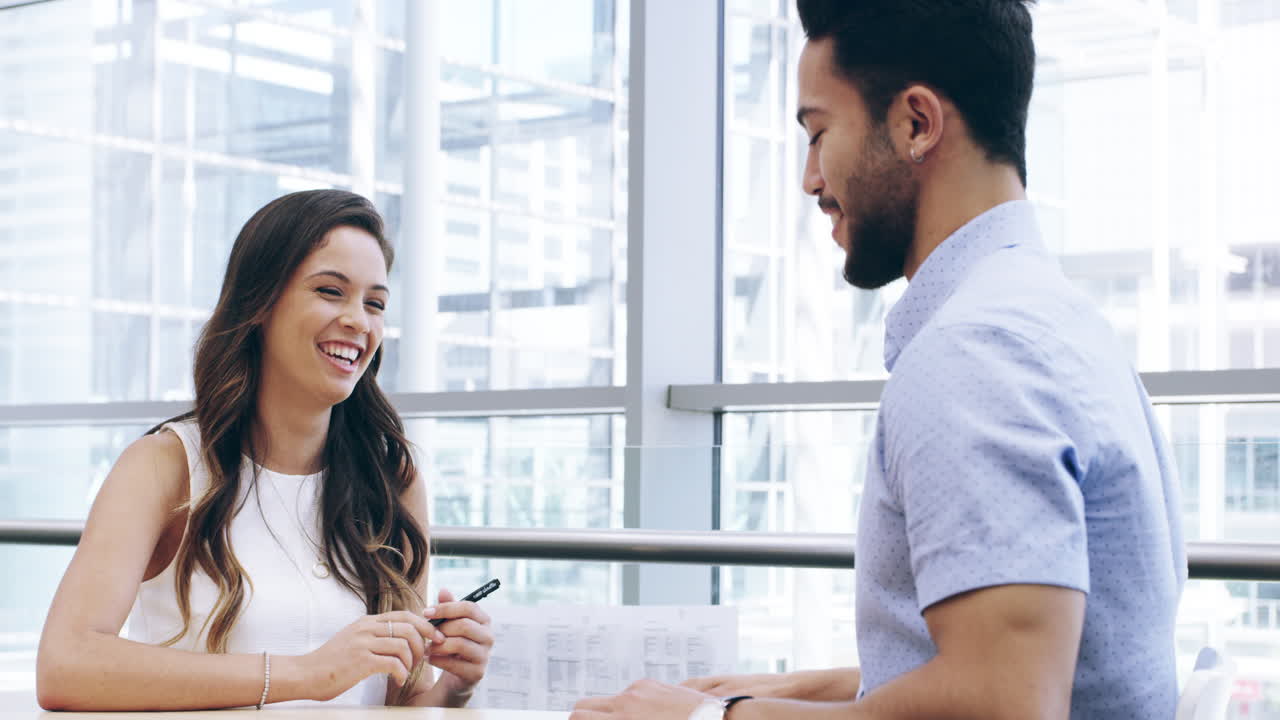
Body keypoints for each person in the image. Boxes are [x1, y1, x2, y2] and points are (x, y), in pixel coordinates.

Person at [571, 1, 1186, 719]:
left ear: (916, 124)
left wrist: (711, 719)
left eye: (818, 133)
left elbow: (1004, 702)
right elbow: (1018, 656)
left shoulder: (974, 352)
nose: (809, 178)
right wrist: (796, 690)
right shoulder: (1058, 320)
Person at [36, 190, 494, 710]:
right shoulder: (164, 465)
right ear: (259, 303)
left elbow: (398, 700)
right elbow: (65, 664)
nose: (358, 321)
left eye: (375, 304)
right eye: (330, 291)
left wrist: (454, 687)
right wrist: (306, 674)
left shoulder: (393, 479)